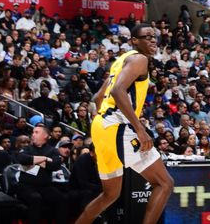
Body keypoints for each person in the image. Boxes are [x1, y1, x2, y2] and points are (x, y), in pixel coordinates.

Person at [74, 24, 174, 224]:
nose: (153, 40)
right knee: (164, 183)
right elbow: (118, 91)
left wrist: (104, 125)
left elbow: (98, 97)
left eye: (154, 37)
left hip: (103, 126)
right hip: (118, 127)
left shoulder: (121, 60)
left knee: (110, 195)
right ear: (134, 41)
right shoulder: (140, 59)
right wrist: (140, 130)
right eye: (147, 37)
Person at [13, 123, 68, 223]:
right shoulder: (27, 148)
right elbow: (22, 158)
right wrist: (44, 159)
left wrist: (34, 160)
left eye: (36, 132)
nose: (33, 134)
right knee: (35, 198)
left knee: (62, 198)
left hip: (45, 186)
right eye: (33, 132)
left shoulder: (52, 150)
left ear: (45, 135)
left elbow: (56, 165)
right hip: (26, 186)